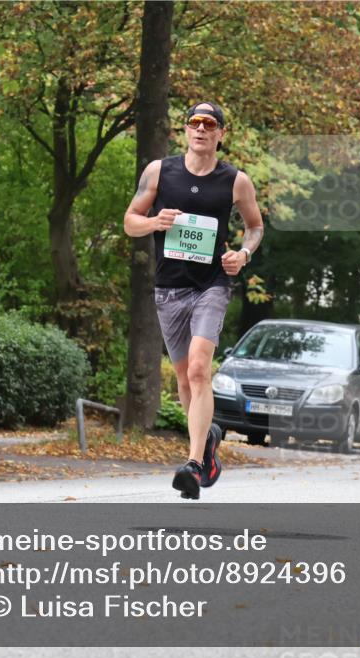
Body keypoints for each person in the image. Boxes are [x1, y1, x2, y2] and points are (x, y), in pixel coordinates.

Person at [124, 102, 264, 500]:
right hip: (169, 288)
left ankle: (194, 464)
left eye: (209, 123)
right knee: (185, 379)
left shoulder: (236, 181)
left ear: (221, 133)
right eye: (194, 122)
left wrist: (243, 254)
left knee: (200, 370)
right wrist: (154, 222)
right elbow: (130, 221)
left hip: (211, 285)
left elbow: (255, 227)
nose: (200, 129)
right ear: (185, 129)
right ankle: (208, 443)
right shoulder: (159, 171)